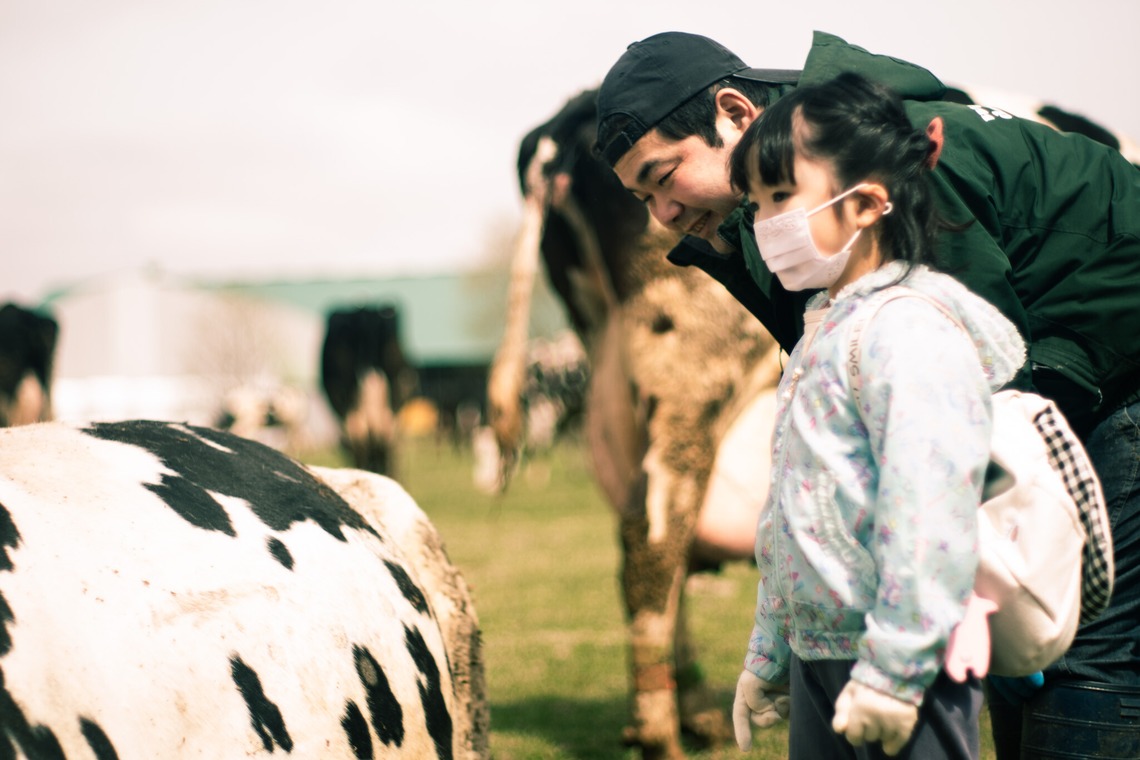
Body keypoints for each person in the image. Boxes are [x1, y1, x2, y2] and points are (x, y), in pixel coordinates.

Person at [596, 31, 1140, 759]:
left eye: (664, 176)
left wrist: (904, 649)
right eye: (642, 196)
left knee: (1078, 661)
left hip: (1114, 378)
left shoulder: (865, 168)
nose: (660, 214)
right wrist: (782, 642)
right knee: (1020, 659)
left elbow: (947, 443)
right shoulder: (784, 210)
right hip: (1046, 386)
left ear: (732, 111)